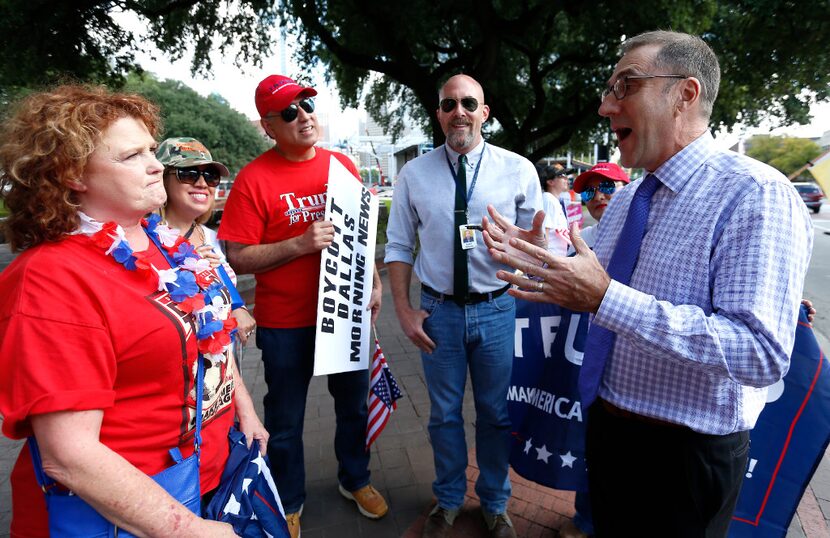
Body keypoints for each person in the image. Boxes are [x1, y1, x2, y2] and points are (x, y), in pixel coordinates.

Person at [484, 30, 813, 536]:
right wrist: (541, 257)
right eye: (609, 89)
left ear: (685, 93)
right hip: (609, 431)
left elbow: (760, 353)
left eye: (625, 86)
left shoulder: (756, 194)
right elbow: (591, 279)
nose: (604, 106)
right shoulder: (633, 199)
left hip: (683, 457)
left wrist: (606, 299)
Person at [0, 85, 267, 537]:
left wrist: (244, 407)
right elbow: (70, 456)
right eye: (130, 156)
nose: (156, 166)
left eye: (151, 150)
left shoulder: (164, 243)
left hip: (212, 478)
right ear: (72, 175)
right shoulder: (50, 279)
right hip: (132, 513)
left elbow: (206, 336)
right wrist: (188, 530)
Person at [217, 74, 386, 538]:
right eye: (289, 112)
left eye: (307, 104)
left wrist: (373, 282)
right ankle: (288, 500)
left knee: (353, 408)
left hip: (344, 316)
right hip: (286, 324)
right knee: (286, 421)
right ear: (269, 126)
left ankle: (356, 479)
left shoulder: (342, 165)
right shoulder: (254, 179)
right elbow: (238, 256)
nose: (304, 116)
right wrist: (298, 244)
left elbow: (360, 235)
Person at [385, 73, 543, 538]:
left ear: (484, 112)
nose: (460, 112)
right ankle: (450, 497)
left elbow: (542, 239)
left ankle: (495, 503)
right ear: (438, 114)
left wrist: (520, 244)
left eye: (469, 103)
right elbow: (397, 246)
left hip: (496, 309)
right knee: (443, 415)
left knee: (495, 414)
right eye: (449, 104)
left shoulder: (517, 169)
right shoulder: (414, 174)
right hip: (439, 314)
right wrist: (404, 310)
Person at [156, 136, 256, 346]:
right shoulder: (148, 237)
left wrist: (238, 307)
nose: (202, 183)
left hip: (222, 361)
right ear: (163, 180)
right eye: (189, 174)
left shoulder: (209, 236)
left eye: (210, 176)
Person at [537, 163, 571, 256]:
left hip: (557, 258)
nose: (566, 179)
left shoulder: (555, 200)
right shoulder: (548, 199)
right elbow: (544, 232)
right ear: (550, 182)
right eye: (562, 175)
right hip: (550, 260)